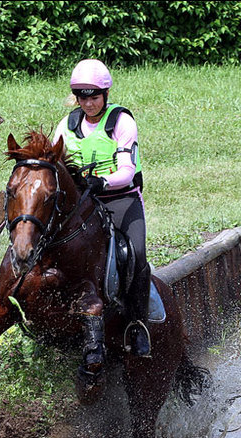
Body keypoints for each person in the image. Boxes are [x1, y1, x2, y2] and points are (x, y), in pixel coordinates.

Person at [52, 58, 151, 357]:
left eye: (94, 96)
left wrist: (102, 183)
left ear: (105, 95)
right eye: (83, 97)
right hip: (84, 203)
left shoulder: (121, 122)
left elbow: (125, 170)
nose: (89, 103)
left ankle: (137, 324)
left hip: (121, 200)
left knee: (135, 253)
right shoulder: (67, 126)